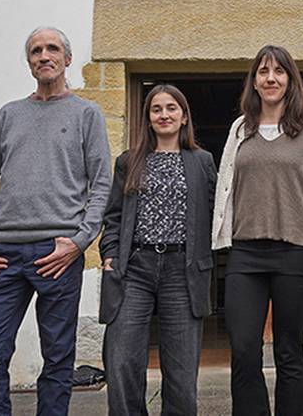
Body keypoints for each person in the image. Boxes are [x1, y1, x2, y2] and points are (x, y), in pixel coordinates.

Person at [0, 26, 112, 416]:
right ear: (29, 61)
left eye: (52, 49)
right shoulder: (9, 114)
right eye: (35, 50)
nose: (43, 56)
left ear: (67, 59)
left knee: (58, 359)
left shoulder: (86, 113)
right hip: (2, 255)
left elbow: (102, 184)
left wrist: (79, 241)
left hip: (58, 255)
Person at [212, 45, 303, 416]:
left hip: (297, 253)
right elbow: (225, 185)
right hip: (245, 254)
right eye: (263, 71)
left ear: (291, 80)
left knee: (289, 351)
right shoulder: (240, 129)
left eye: (279, 71)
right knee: (244, 350)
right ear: (254, 81)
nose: (270, 78)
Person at [101, 84, 217, 415]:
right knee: (122, 358)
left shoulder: (202, 162)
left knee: (180, 368)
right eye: (156, 109)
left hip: (183, 268)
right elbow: (113, 215)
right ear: (148, 118)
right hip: (134, 267)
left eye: (171, 108)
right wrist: (110, 256)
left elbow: (214, 215)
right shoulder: (129, 161)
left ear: (183, 117)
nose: (164, 114)